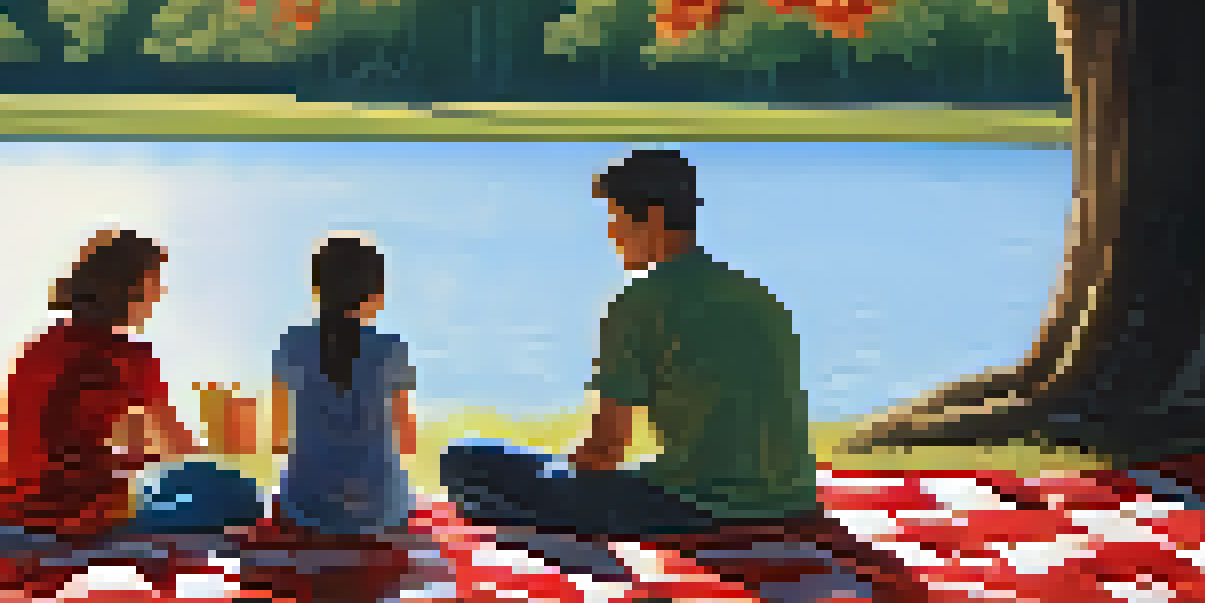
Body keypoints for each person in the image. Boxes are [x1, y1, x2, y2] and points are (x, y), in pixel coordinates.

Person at [440, 149, 820, 535]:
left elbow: (607, 450)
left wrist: (560, 471)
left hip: (694, 510)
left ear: (651, 218)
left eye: (614, 217)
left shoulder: (639, 300)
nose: (611, 232)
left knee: (464, 459)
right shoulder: (757, 295)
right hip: (791, 501)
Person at [0, 228, 263, 543]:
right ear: (129, 288)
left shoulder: (38, 347)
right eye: (154, 283)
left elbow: (67, 438)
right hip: (80, 518)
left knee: (185, 486)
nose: (159, 294)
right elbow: (178, 451)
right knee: (241, 494)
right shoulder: (131, 357)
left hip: (10, 509)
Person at [269, 234, 419, 534]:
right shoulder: (393, 348)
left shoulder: (291, 344)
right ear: (376, 292)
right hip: (381, 509)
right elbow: (407, 440)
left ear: (317, 289)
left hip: (306, 506)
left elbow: (279, 439)